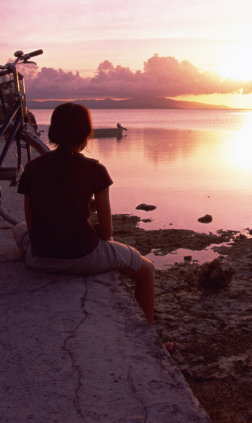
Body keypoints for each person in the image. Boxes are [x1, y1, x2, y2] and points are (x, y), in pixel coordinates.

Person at [12, 102, 155, 324]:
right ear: (85, 132)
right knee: (147, 270)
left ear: (53, 131)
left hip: (39, 258)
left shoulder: (32, 168)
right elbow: (107, 231)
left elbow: (31, 227)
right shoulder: (95, 170)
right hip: (83, 257)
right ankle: (150, 333)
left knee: (17, 228)